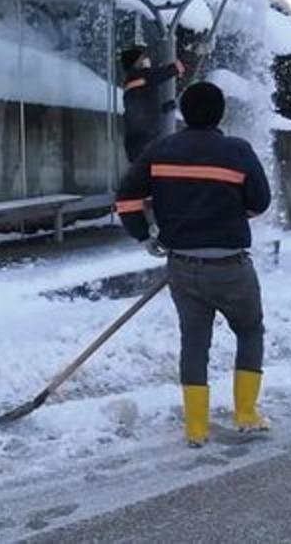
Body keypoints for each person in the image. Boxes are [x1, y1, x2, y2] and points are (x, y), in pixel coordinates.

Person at [114, 81, 272, 448]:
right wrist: (227, 213)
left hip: (182, 266)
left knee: (194, 341)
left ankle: (196, 427)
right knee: (249, 331)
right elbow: (260, 203)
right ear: (221, 114)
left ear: (184, 112)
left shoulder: (161, 150)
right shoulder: (237, 151)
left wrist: (145, 236)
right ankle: (246, 414)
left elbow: (126, 199)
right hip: (231, 267)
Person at [119, 47, 186, 162]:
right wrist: (192, 53)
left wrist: (169, 106)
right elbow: (170, 71)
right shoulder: (140, 76)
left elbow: (148, 109)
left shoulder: (135, 82)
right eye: (142, 59)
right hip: (144, 141)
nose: (146, 60)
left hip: (138, 141)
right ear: (135, 63)